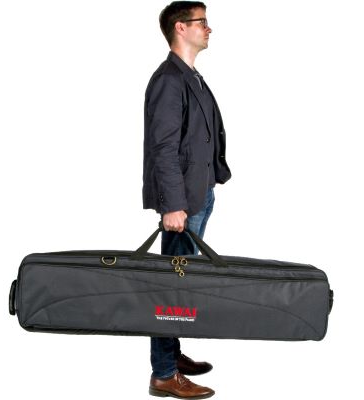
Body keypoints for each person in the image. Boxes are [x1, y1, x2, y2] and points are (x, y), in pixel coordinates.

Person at [142, 1, 231, 398]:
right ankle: (163, 373)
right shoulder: (169, 80)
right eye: (202, 22)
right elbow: (162, 148)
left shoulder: (190, 76)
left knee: (181, 282)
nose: (209, 28)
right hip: (182, 203)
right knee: (171, 289)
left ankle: (172, 354)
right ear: (180, 28)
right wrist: (172, 205)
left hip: (198, 194)